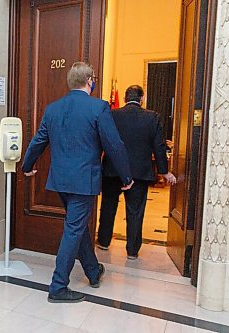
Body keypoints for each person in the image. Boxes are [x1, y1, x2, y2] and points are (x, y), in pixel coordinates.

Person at [22, 62, 134, 303]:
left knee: (77, 224)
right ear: (90, 81)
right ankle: (58, 286)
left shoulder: (53, 109)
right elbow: (114, 145)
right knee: (73, 229)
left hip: (61, 181)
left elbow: (38, 141)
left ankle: (93, 271)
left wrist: (27, 166)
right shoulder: (98, 107)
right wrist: (126, 177)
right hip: (84, 181)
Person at [97, 85, 177, 259]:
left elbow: (102, 140)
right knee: (135, 211)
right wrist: (164, 171)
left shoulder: (112, 114)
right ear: (142, 99)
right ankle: (132, 251)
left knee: (108, 207)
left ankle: (103, 242)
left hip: (112, 170)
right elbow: (159, 146)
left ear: (125, 98)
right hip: (139, 173)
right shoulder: (152, 117)